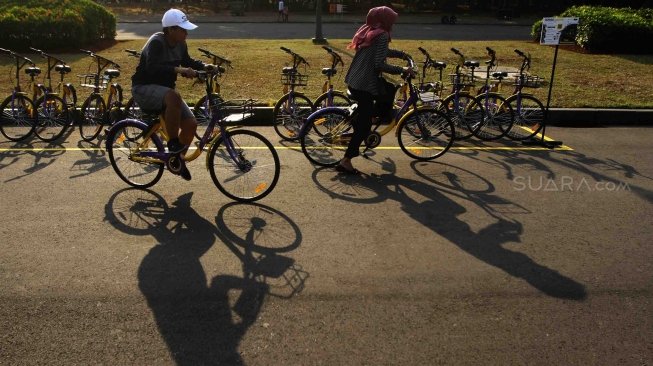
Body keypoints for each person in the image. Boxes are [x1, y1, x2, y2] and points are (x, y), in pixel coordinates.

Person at [131, 8, 211, 181]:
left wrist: (206, 66)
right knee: (173, 96)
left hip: (165, 92)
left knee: (191, 124)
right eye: (183, 29)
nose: (186, 33)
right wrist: (179, 69)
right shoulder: (156, 42)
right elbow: (152, 69)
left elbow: (189, 62)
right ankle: (173, 144)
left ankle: (177, 161)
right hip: (143, 88)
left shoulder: (181, 44)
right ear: (171, 29)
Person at [340, 6, 413, 174]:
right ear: (386, 21)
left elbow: (382, 52)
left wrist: (402, 54)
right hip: (364, 84)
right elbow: (380, 64)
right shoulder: (381, 35)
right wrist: (403, 70)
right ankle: (346, 161)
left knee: (387, 90)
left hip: (355, 80)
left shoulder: (372, 31)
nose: (393, 24)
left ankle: (366, 119)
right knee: (364, 126)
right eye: (392, 20)